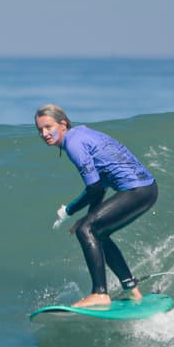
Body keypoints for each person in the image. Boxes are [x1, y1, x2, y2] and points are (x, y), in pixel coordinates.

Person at [34, 104, 158, 308]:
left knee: (87, 229)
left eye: (48, 127)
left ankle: (100, 293)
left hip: (136, 191)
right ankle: (131, 289)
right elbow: (101, 185)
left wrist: (70, 211)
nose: (44, 134)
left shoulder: (73, 144)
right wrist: (89, 217)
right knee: (97, 231)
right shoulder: (82, 134)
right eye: (40, 130)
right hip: (146, 189)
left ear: (63, 124)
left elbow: (95, 188)